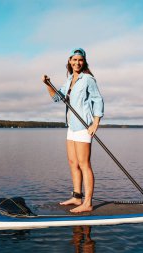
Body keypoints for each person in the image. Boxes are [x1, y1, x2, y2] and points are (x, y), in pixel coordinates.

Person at [42, 48, 104, 213]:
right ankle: (77, 197)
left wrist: (95, 123)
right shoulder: (69, 79)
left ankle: (87, 203)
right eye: (74, 60)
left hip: (84, 126)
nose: (77, 63)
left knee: (84, 164)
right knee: (73, 163)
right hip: (72, 126)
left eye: (80, 60)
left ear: (84, 62)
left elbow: (98, 100)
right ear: (69, 61)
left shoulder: (88, 79)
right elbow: (57, 98)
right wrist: (48, 84)